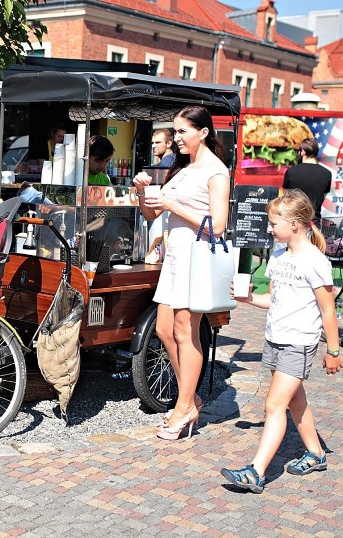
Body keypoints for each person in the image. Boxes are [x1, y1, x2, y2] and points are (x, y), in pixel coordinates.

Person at [220, 189, 342, 493]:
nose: (270, 229)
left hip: (298, 342)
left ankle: (256, 472)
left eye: (274, 223)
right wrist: (248, 298)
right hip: (275, 338)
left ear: (295, 224)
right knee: (295, 400)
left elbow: (328, 309)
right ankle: (316, 453)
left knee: (274, 404)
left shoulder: (315, 261)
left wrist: (334, 351)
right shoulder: (278, 256)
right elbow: (272, 299)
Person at [132, 105, 231, 440]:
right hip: (174, 256)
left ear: (203, 132)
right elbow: (151, 215)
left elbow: (218, 226)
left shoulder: (216, 171)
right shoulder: (182, 167)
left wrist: (174, 206)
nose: (176, 138)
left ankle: (185, 405)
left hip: (196, 257)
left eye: (182, 131)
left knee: (186, 332)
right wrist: (142, 192)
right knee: (163, 329)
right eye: (174, 132)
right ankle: (190, 399)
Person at [282, 137, 331, 226]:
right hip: (314, 223)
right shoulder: (327, 173)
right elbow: (323, 196)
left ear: (303, 151)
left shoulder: (291, 171)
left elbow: (286, 196)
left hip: (294, 222)